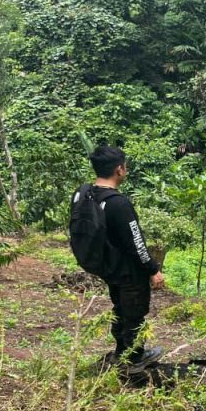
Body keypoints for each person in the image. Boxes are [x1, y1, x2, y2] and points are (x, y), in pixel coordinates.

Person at [71, 146, 164, 372]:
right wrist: (153, 269)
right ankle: (134, 358)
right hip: (128, 270)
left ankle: (122, 351)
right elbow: (136, 243)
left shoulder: (83, 194)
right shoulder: (118, 203)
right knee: (134, 312)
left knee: (120, 307)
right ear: (119, 170)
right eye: (125, 165)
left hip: (107, 267)